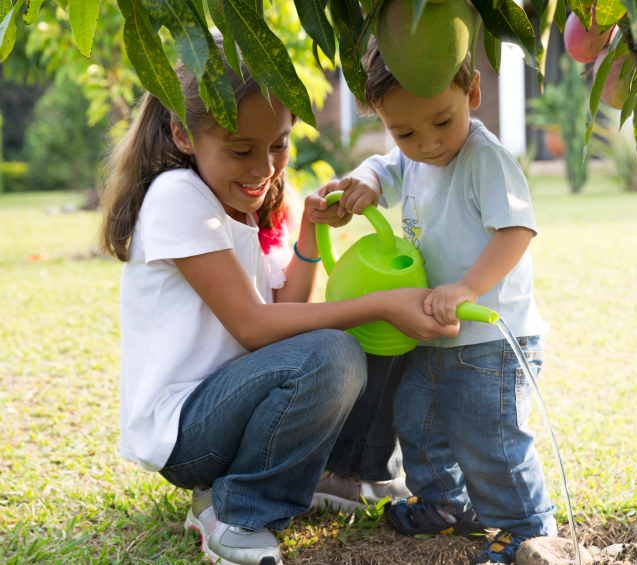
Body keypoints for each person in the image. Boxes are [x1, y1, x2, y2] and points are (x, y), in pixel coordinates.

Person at [100, 35, 457, 565]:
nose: (264, 167)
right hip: (188, 431)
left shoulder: (257, 200)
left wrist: (310, 230)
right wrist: (381, 305)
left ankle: (343, 473)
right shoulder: (179, 197)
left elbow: (288, 302)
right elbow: (253, 325)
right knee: (337, 346)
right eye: (241, 149)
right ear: (182, 133)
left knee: (365, 327)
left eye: (279, 144)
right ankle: (238, 510)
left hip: (244, 404)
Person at [328, 38, 557, 565]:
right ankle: (443, 503)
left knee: (490, 438)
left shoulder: (485, 159)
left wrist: (467, 288)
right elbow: (386, 168)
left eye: (440, 123)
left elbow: (517, 229)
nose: (427, 143)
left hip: (488, 339)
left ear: (472, 92)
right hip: (431, 330)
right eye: (404, 131)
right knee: (419, 421)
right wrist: (363, 180)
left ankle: (527, 528)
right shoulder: (411, 157)